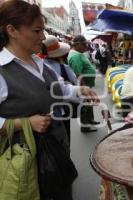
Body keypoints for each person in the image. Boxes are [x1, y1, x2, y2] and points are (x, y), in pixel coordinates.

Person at [0, 1, 99, 199]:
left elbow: (58, 88)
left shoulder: (40, 63)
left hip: (56, 151)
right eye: (37, 31)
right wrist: (24, 123)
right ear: (12, 30)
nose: (43, 37)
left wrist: (79, 90)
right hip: (24, 162)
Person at [42, 35, 78, 143]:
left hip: (44, 113)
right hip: (62, 110)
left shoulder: (39, 65)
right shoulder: (64, 68)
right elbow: (74, 84)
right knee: (65, 138)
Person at [68, 35, 99, 133]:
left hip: (87, 86)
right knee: (85, 105)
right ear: (77, 44)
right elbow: (78, 75)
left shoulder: (79, 53)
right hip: (83, 86)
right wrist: (84, 88)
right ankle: (85, 126)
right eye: (84, 44)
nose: (86, 46)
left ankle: (91, 120)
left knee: (89, 103)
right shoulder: (75, 56)